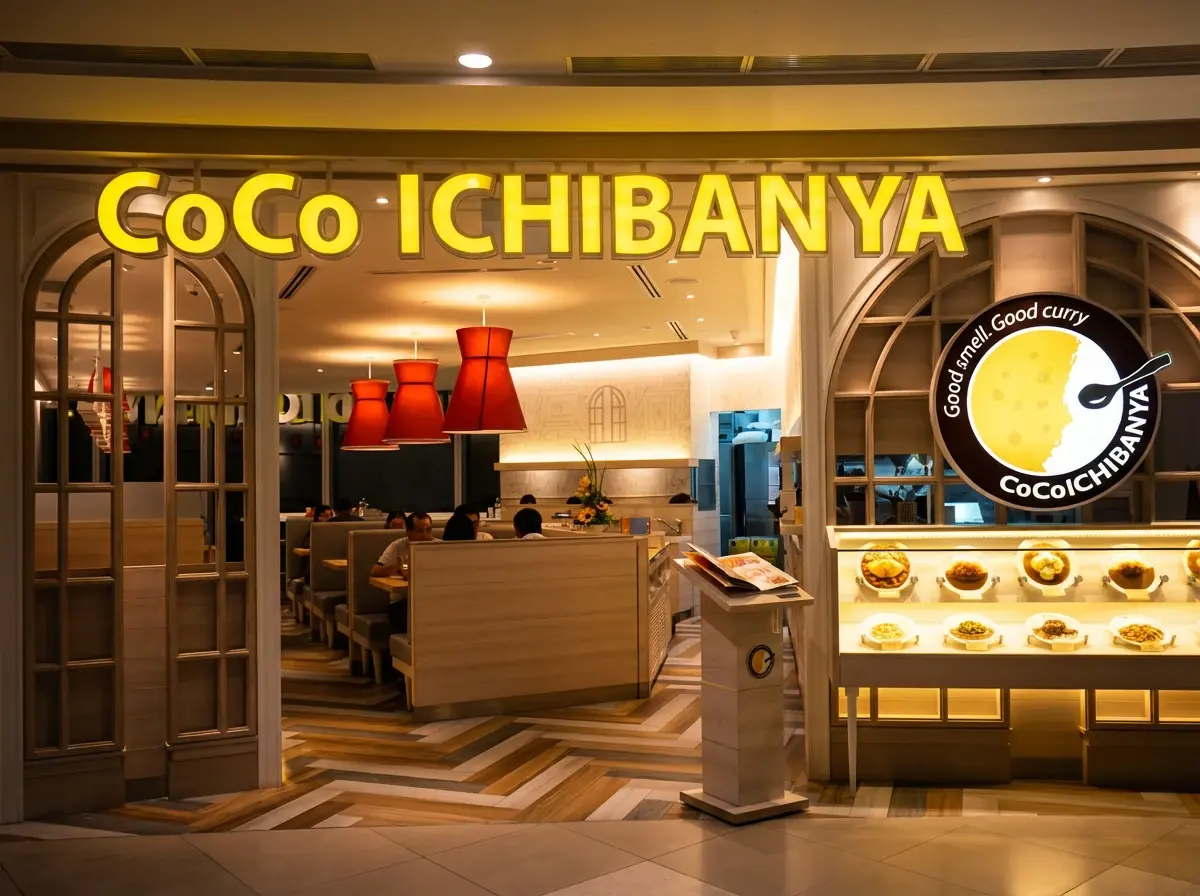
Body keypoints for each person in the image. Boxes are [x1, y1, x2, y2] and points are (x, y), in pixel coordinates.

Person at [372, 511, 436, 577]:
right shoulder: (398, 546)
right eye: (419, 531)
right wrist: (398, 567)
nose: (425, 535)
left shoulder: (440, 546)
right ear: (408, 531)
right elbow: (375, 571)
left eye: (428, 530)